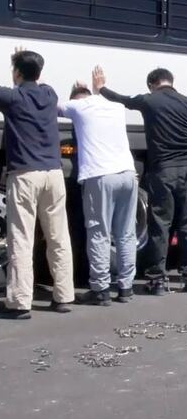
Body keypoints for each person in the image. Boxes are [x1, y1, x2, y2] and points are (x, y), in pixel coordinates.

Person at [94, 66, 187, 295]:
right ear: (171, 81)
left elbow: (121, 100)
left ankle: (157, 281)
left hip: (163, 171)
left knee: (160, 225)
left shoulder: (149, 100)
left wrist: (101, 87)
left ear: (152, 84)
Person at [0, 49, 74, 319]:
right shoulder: (49, 94)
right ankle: (63, 296)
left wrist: (18, 66)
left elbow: (13, 90)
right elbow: (36, 82)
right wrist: (25, 64)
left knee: (21, 237)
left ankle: (20, 302)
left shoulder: (12, 97)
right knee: (58, 236)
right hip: (53, 174)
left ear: (17, 73)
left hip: (25, 175)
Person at [60, 81, 138, 305]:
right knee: (126, 233)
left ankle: (100, 289)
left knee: (99, 232)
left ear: (76, 99)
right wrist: (98, 89)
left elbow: (50, 106)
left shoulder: (78, 106)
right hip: (128, 174)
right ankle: (126, 287)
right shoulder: (114, 107)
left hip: (100, 176)